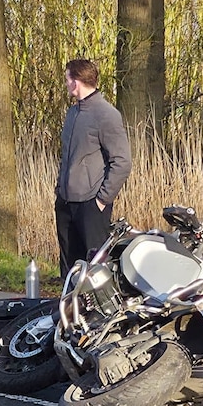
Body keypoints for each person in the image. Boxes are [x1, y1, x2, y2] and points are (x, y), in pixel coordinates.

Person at [55, 58, 132, 277]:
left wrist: (102, 199)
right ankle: (68, 308)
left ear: (76, 81)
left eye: (67, 78)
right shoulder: (72, 113)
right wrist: (59, 190)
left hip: (91, 205)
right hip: (66, 202)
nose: (66, 83)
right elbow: (68, 157)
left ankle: (97, 311)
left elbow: (122, 161)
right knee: (69, 269)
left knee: (95, 269)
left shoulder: (106, 114)